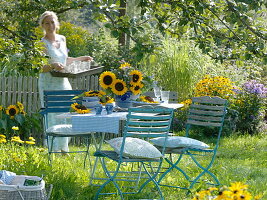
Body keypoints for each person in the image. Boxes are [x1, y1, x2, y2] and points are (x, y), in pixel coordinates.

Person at [38, 11, 93, 153]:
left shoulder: (62, 39)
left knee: (67, 113)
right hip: (48, 83)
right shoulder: (42, 43)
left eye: (52, 22)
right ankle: (53, 149)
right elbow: (39, 67)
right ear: (42, 25)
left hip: (63, 81)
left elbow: (65, 60)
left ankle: (63, 148)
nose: (50, 25)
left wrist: (82, 58)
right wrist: (52, 66)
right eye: (47, 23)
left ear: (57, 23)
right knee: (52, 114)